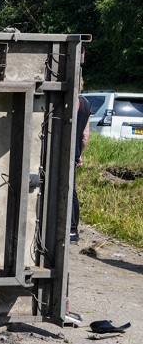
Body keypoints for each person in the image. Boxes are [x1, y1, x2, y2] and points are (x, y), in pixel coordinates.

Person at [71, 76, 91, 244]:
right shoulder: (85, 103)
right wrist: (79, 155)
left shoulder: (70, 100)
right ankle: (73, 230)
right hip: (74, 154)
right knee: (72, 191)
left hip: (60, 152)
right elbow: (85, 135)